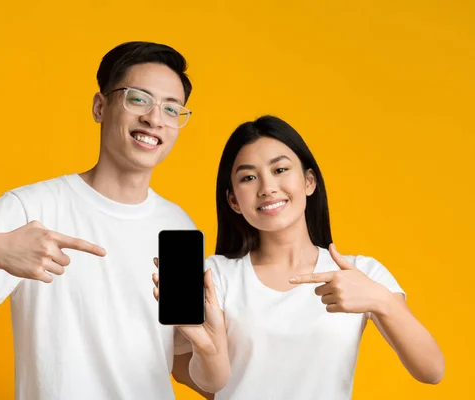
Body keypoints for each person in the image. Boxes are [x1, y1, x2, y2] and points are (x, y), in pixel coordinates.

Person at [0, 41, 214, 400]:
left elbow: (172, 359)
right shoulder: (33, 208)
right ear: (100, 106)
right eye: (138, 99)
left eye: (171, 109)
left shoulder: (179, 227)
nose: (154, 118)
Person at [153, 115, 445, 399]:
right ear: (233, 201)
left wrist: (380, 301)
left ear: (309, 182)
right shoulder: (213, 276)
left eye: (280, 170)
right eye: (249, 177)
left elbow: (431, 370)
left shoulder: (361, 272)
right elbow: (186, 370)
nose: (267, 188)